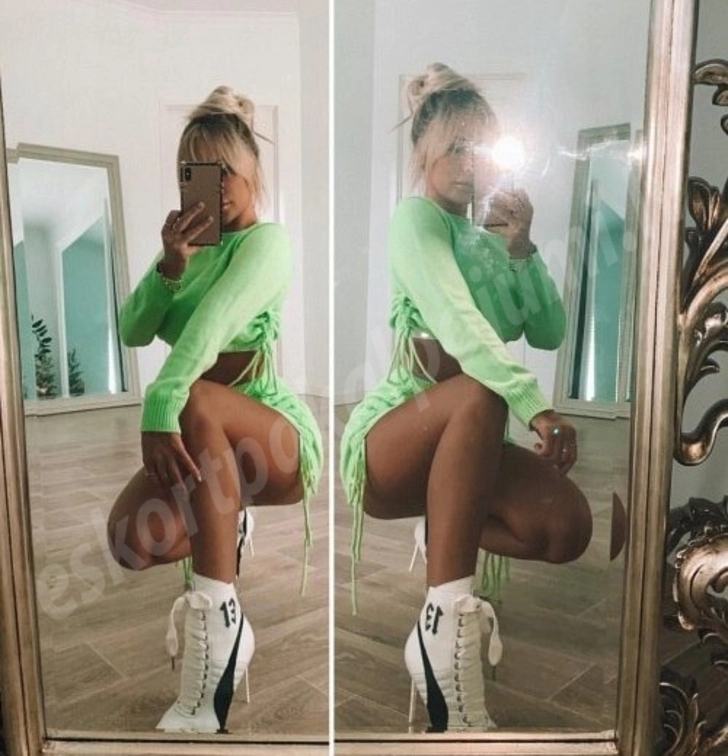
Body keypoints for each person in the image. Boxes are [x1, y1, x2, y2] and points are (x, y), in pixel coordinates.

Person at [339, 63, 592, 732]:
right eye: (454, 147)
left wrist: (522, 250)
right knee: (480, 392)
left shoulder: (488, 241)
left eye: (480, 149)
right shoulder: (416, 220)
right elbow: (460, 325)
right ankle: (442, 634)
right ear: (422, 151)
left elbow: (548, 330)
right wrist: (534, 405)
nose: (468, 164)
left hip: (470, 441)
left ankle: (444, 526)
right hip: (397, 437)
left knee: (566, 527)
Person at [106, 86, 323, 734]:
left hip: (271, 441)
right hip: (205, 446)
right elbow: (132, 329)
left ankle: (220, 623)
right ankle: (228, 527)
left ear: (253, 169)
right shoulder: (185, 253)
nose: (215, 185)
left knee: (197, 395)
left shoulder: (267, 243)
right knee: (130, 541)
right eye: (195, 172)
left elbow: (209, 331)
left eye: (225, 169)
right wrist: (170, 268)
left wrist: (160, 403)